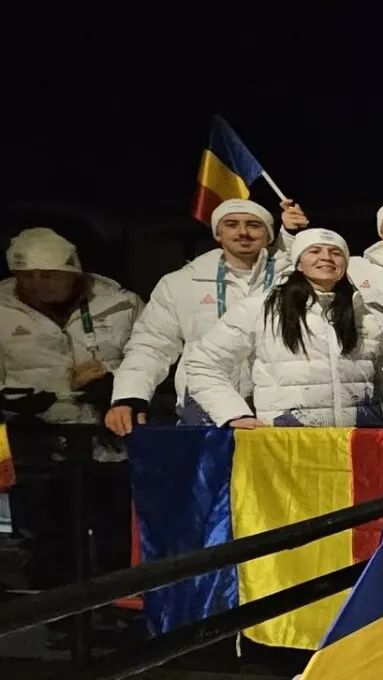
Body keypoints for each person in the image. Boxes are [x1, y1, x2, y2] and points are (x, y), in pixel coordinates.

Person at [0, 228, 142, 586]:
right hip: (34, 442)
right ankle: (59, 619)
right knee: (46, 536)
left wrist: (116, 385)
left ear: (72, 273)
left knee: (117, 531)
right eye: (25, 276)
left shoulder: (120, 304)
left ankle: (118, 609)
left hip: (109, 439)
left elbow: (153, 357)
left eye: (47, 275)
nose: (35, 284)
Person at [179, 228, 383, 428]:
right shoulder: (261, 309)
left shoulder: (364, 314)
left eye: (336, 253)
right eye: (314, 251)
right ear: (299, 264)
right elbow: (203, 363)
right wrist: (234, 413)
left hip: (357, 444)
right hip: (288, 443)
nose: (326, 257)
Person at [108, 199, 286, 432]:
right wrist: (129, 396)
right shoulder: (182, 283)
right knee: (210, 469)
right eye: (231, 224)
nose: (243, 232)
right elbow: (152, 345)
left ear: (269, 235)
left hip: (278, 407)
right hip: (206, 408)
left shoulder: (292, 280)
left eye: (254, 225)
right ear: (218, 233)